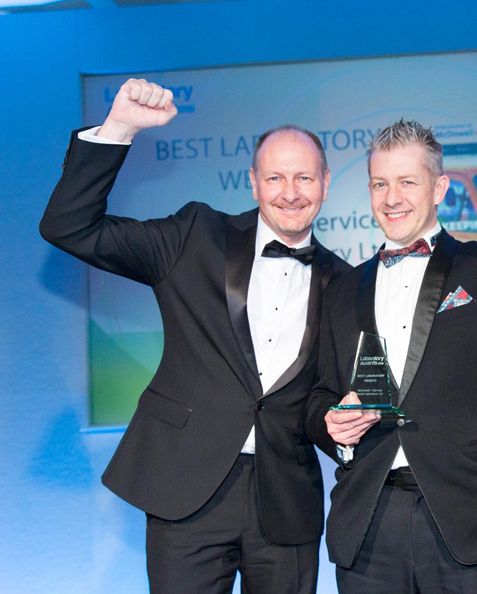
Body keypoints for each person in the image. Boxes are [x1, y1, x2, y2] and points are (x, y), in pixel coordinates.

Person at [39, 78, 351, 594]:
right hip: (186, 490)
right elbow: (69, 226)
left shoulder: (344, 281)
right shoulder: (194, 235)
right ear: (252, 182)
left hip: (286, 503)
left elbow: (326, 401)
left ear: (325, 181)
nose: (290, 193)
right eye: (275, 177)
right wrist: (119, 128)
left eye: (304, 177)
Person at [304, 119, 477, 593]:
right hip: (368, 528)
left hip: (469, 521)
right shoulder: (342, 290)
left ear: (439, 188)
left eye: (408, 182)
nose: (392, 198)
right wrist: (332, 426)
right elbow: (319, 398)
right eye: (380, 184)